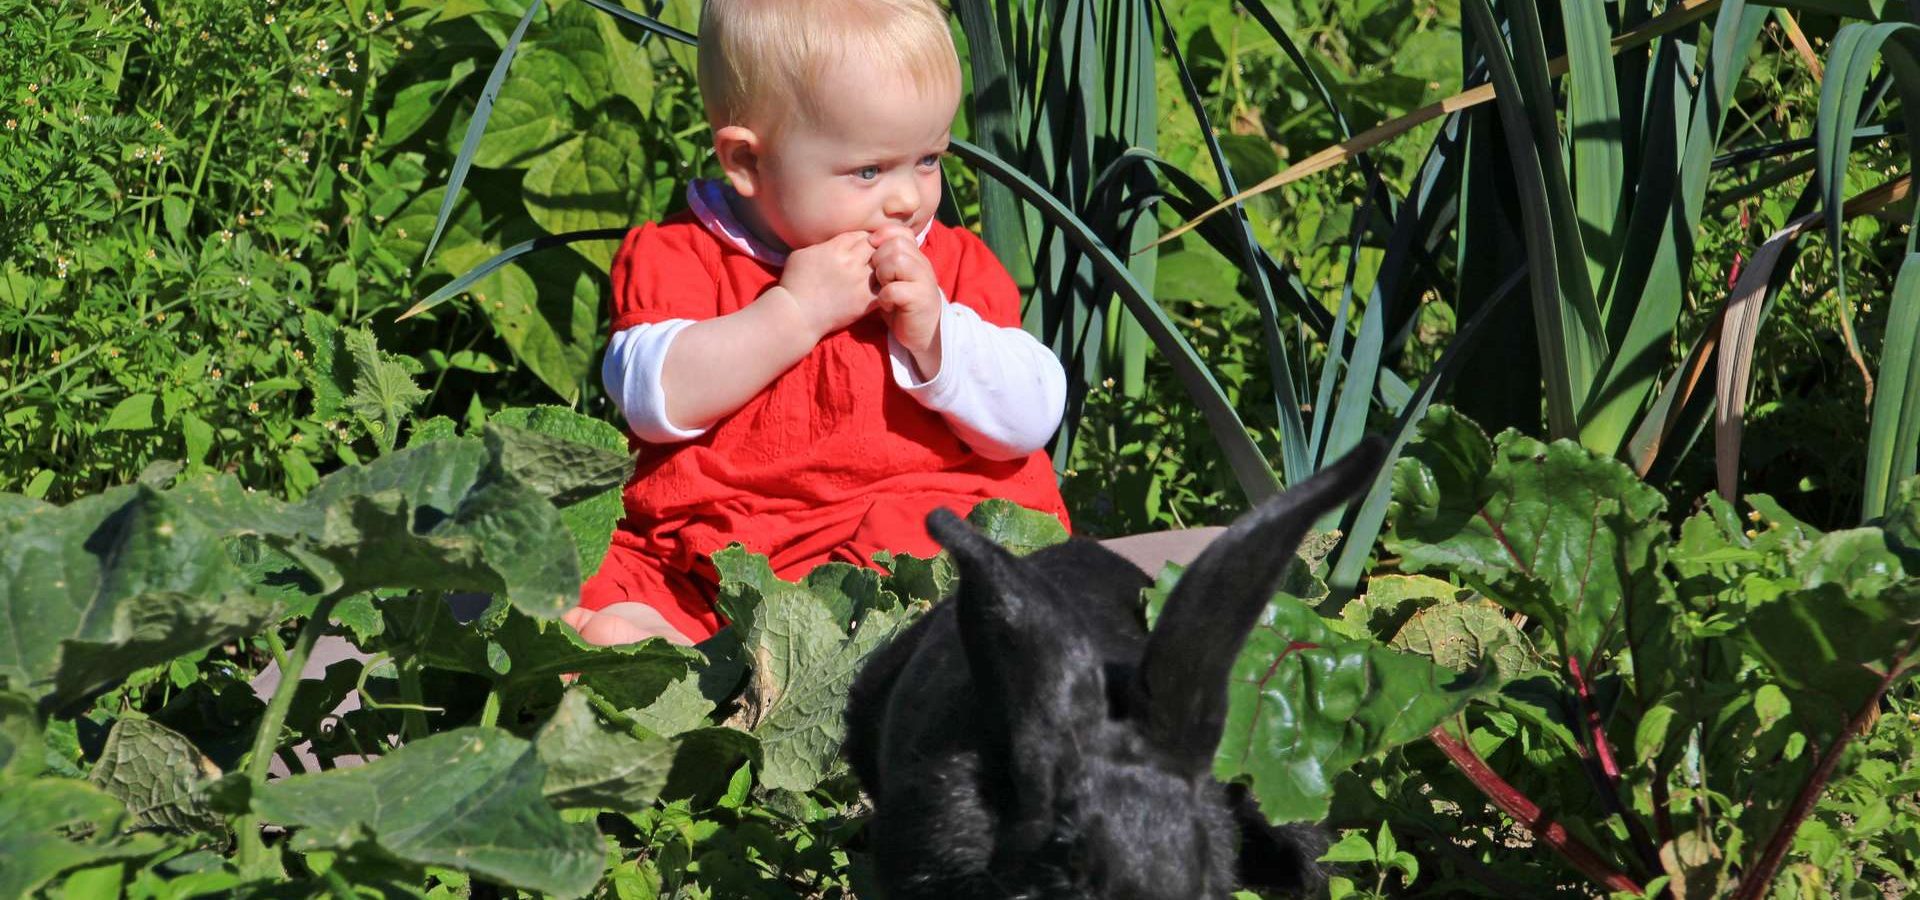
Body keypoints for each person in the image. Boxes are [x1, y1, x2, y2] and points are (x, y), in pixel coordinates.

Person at [562, 0, 1070, 648]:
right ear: (746, 163)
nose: (909, 198)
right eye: (868, 170)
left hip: (899, 544)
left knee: (971, 550)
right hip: (724, 557)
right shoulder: (685, 256)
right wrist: (793, 315)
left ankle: (846, 662)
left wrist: (938, 337)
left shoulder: (950, 265)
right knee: (581, 564)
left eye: (929, 159)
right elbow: (649, 399)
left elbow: (1032, 417)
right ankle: (669, 649)